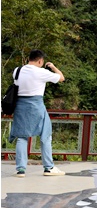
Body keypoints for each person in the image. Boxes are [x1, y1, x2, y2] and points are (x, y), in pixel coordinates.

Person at [9, 49, 66, 177]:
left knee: (22, 137)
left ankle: (20, 170)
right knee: (45, 135)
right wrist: (53, 67)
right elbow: (61, 78)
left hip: (20, 106)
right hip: (36, 106)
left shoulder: (17, 71)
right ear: (40, 60)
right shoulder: (42, 72)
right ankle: (48, 167)